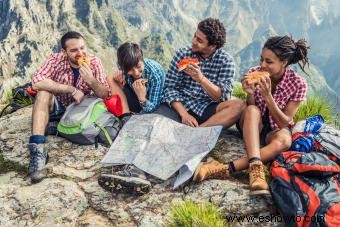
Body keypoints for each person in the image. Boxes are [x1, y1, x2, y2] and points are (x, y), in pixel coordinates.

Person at [193, 35, 309, 196]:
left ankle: (223, 168)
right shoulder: (254, 72)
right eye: (262, 59)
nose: (262, 65)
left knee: (285, 139)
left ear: (284, 62)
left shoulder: (298, 84)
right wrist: (250, 94)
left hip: (273, 131)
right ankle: (256, 168)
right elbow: (250, 109)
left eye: (269, 62)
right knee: (252, 110)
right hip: (252, 125)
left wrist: (268, 97)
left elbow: (284, 123)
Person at [28, 31, 110, 183]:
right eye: (74, 50)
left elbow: (105, 94)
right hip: (57, 106)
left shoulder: (94, 62)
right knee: (43, 93)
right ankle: (37, 150)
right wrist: (70, 89)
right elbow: (37, 82)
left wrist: (91, 80)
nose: (80, 53)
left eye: (82, 48)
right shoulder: (55, 59)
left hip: (77, 111)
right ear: (64, 52)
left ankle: (54, 127)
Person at [98, 42, 166, 195]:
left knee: (146, 128)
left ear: (142, 58)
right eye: (130, 69)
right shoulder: (125, 67)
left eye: (138, 66)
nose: (136, 72)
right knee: (111, 77)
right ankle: (126, 117)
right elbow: (121, 74)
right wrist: (119, 75)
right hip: (134, 100)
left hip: (152, 105)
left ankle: (136, 171)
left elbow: (153, 107)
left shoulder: (155, 72)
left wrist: (142, 97)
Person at [156, 17, 245, 128]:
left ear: (213, 46)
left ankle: (199, 131)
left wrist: (201, 79)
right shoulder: (183, 54)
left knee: (239, 106)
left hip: (206, 108)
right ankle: (198, 130)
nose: (193, 41)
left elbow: (222, 97)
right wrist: (185, 115)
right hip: (180, 106)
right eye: (195, 36)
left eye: (199, 41)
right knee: (157, 121)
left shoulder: (226, 61)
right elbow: (169, 88)